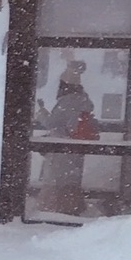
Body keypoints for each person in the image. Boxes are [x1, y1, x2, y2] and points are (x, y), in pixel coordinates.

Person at [38, 58, 97, 216]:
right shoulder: (83, 99)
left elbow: (52, 123)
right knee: (71, 182)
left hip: (62, 149)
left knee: (57, 182)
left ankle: (57, 210)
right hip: (76, 150)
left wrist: (42, 113)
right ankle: (72, 207)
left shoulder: (67, 101)